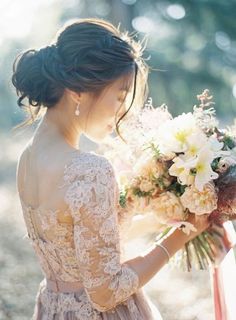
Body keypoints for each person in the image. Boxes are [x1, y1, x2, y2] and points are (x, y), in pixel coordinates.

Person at [12, 18, 210, 320]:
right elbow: (105, 292)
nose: (122, 111)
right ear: (77, 90)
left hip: (54, 309)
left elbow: (83, 248)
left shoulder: (27, 160)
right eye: (119, 96)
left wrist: (160, 214)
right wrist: (180, 236)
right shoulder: (90, 170)